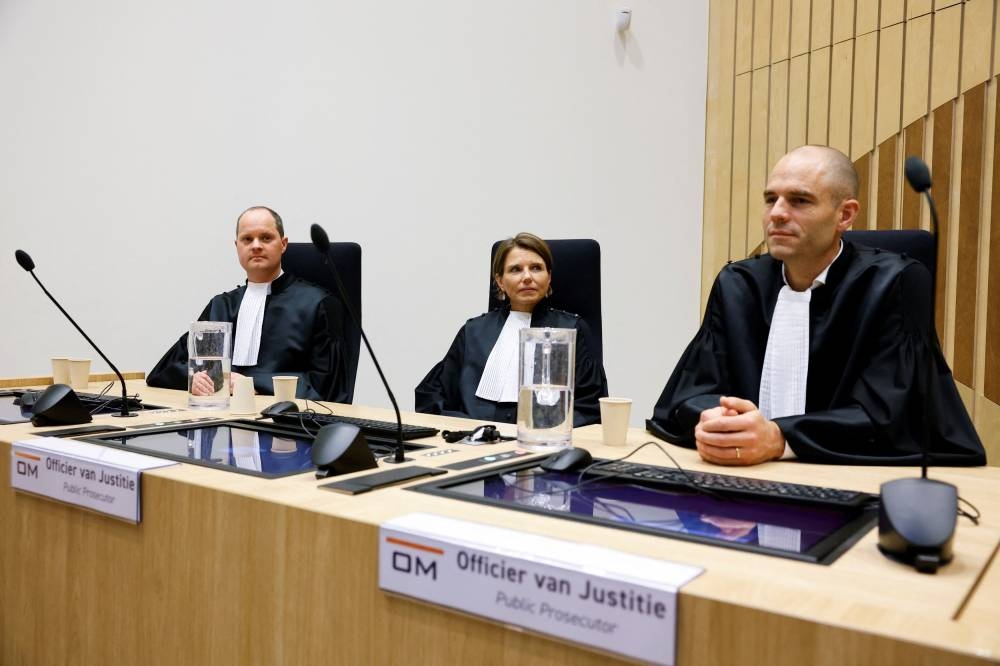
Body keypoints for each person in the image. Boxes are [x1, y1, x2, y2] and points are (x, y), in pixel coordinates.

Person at [649, 145, 985, 466]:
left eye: (799, 200)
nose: (777, 213)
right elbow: (689, 393)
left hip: (842, 481)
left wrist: (781, 438)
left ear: (845, 215)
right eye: (771, 199)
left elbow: (891, 416)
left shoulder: (894, 283)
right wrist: (715, 417)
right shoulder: (739, 284)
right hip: (739, 476)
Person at [147, 206, 349, 402]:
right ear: (237, 246)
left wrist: (251, 383)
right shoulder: (221, 306)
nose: (256, 245)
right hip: (219, 422)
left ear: (284, 244)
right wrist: (193, 377)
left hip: (286, 426)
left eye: (266, 238)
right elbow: (163, 370)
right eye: (247, 239)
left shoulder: (318, 304)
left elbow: (327, 389)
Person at [415, 233, 608, 425]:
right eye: (516, 269)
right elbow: (431, 395)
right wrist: (465, 428)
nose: (527, 277)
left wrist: (542, 432)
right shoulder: (474, 330)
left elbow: (590, 407)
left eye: (536, 268)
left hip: (544, 446)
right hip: (475, 443)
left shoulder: (571, 331)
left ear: (549, 277)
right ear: (500, 281)